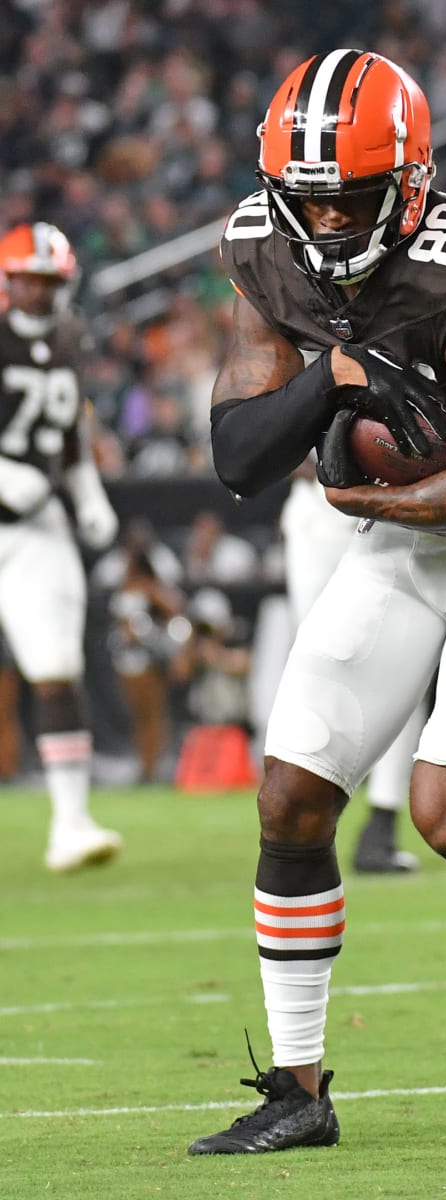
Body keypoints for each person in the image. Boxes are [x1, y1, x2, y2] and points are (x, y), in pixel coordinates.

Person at [187, 49, 446, 1155]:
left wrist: (362, 487)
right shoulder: (259, 251)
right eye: (309, 192)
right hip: (395, 536)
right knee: (289, 798)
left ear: (412, 185)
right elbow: (236, 454)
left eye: (351, 193)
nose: (326, 218)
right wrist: (330, 384)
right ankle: (299, 1089)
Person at [0, 221, 123, 871]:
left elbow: (70, 435)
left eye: (49, 283)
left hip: (37, 525)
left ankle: (70, 823)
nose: (39, 294)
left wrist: (89, 496)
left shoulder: (70, 338)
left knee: (55, 668)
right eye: (29, 281)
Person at [279, 460, 423, 872]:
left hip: (390, 517)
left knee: (404, 671)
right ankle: (304, 823)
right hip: (317, 524)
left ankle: (381, 824)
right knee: (317, 673)